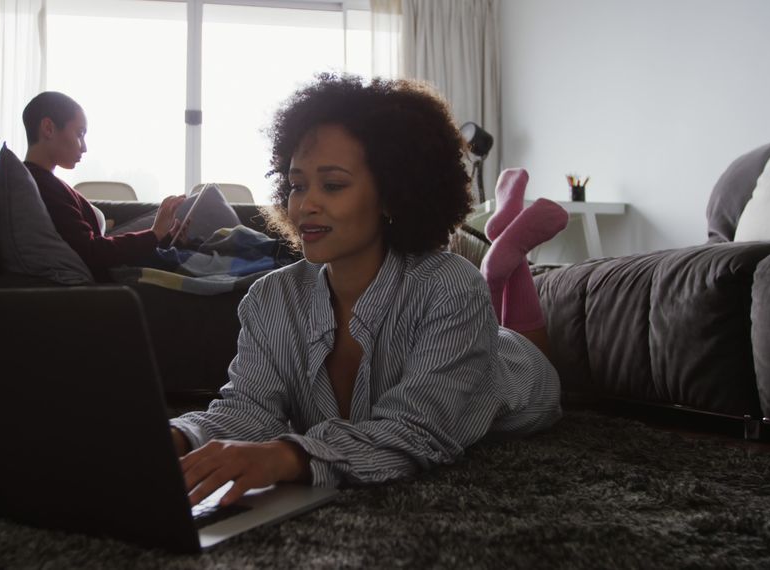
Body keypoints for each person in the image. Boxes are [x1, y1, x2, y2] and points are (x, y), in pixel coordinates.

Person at [168, 73, 568, 508]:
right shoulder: (270, 300)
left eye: (333, 184)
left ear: (392, 195)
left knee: (510, 326)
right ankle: (503, 253)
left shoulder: (449, 285)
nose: (306, 204)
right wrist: (177, 438)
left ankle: (507, 258)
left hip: (519, 371)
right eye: (298, 184)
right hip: (468, 327)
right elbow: (247, 410)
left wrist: (285, 457)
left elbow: (419, 431)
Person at [21, 91, 186, 282]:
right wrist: (155, 234)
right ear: (48, 128)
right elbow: (92, 251)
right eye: (80, 133)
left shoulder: (44, 182)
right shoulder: (42, 186)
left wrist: (163, 236)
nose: (84, 147)